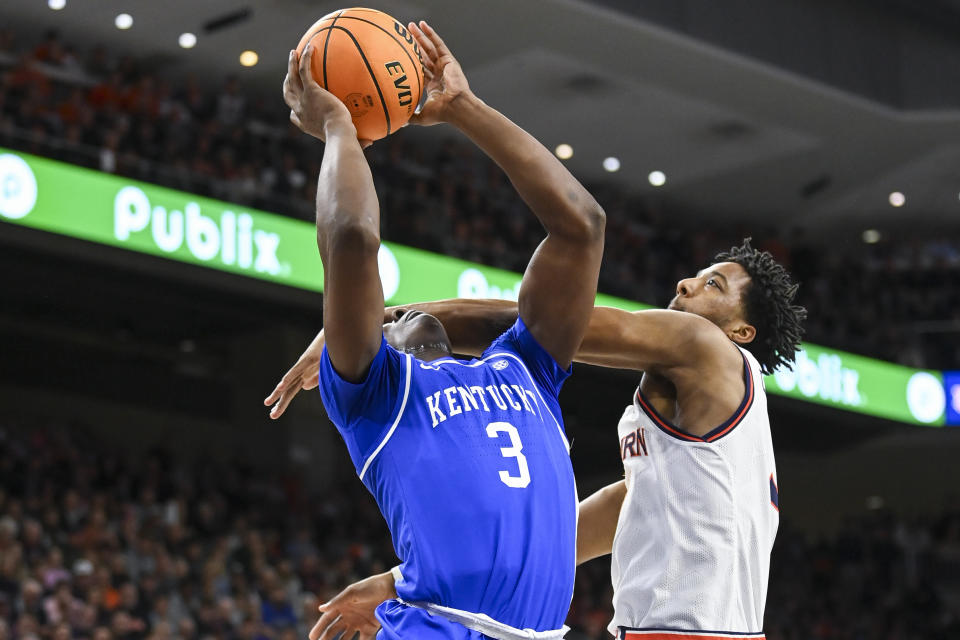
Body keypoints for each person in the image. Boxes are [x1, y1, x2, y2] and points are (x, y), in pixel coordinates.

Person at [266, 240, 805, 639]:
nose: (687, 284)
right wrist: (411, 579)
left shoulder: (704, 345)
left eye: (714, 285)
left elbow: (539, 325)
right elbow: (628, 505)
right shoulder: (718, 427)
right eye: (696, 274)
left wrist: (378, 323)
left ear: (741, 333)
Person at [279, 19, 605, 640]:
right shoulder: (375, 395)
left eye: (399, 308)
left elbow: (582, 226)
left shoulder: (525, 365)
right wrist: (339, 128)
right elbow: (351, 238)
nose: (400, 313)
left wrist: (464, 108)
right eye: (387, 315)